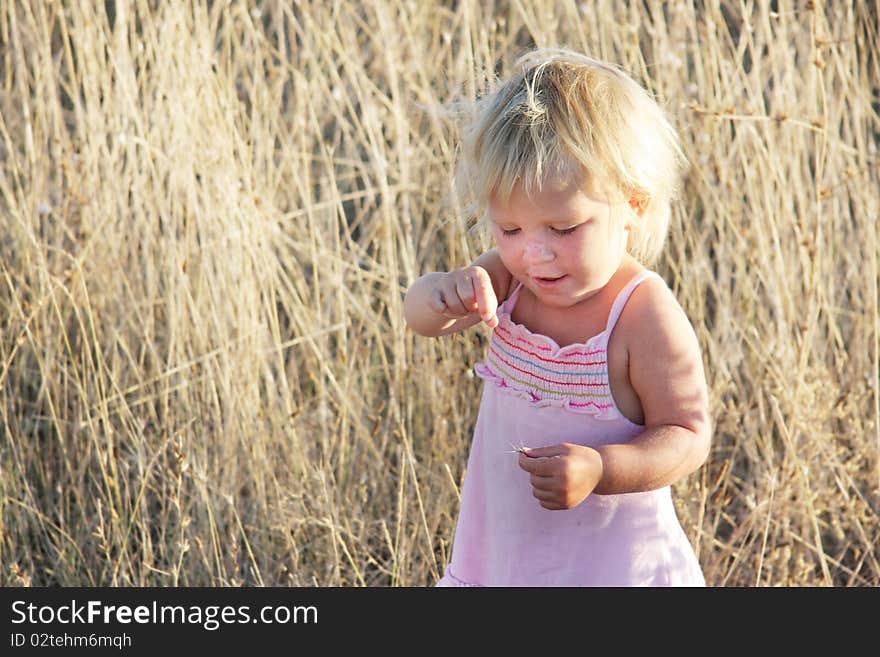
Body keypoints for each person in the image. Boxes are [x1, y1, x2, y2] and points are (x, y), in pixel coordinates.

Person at [404, 48, 711, 586]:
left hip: (610, 569)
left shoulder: (641, 316)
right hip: (505, 557)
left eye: (564, 230)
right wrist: (445, 291)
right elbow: (422, 316)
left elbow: (686, 434)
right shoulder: (508, 278)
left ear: (633, 206)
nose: (534, 254)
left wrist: (603, 470)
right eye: (510, 229)